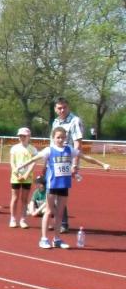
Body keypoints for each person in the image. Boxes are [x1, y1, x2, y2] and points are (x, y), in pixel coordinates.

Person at [17, 126, 111, 249]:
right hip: (52, 185)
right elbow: (35, 158)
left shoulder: (69, 149)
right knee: (49, 211)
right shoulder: (49, 150)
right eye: (58, 137)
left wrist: (102, 164)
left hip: (64, 185)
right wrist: (21, 166)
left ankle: (56, 239)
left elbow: (85, 157)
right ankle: (44, 239)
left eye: (63, 137)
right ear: (53, 138)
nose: (60, 140)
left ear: (66, 138)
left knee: (60, 213)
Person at [51, 97, 84, 233]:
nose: (62, 110)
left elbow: (78, 143)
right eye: (59, 108)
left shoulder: (74, 121)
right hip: (55, 160)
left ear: (68, 107)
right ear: (55, 109)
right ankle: (57, 220)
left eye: (64, 107)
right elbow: (52, 142)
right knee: (52, 191)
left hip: (66, 161)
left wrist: (74, 164)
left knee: (60, 192)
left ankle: (63, 223)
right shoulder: (55, 122)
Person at [9, 127, 38, 229]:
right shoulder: (14, 148)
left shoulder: (33, 149)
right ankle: (13, 219)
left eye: (24, 136)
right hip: (15, 177)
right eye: (20, 136)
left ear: (29, 136)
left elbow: (33, 163)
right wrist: (16, 173)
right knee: (15, 198)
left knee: (24, 199)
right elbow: (12, 162)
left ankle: (23, 219)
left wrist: (26, 174)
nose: (22, 137)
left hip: (27, 177)